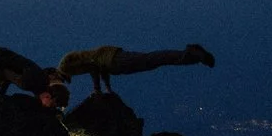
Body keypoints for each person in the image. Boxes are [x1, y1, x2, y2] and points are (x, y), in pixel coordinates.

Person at [54, 43, 216, 95]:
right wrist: (107, 88)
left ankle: (190, 54)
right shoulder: (67, 65)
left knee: (151, 60)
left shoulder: (65, 67)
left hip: (114, 61)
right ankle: (192, 57)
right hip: (113, 60)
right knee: (152, 60)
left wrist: (98, 89)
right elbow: (96, 66)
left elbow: (93, 66)